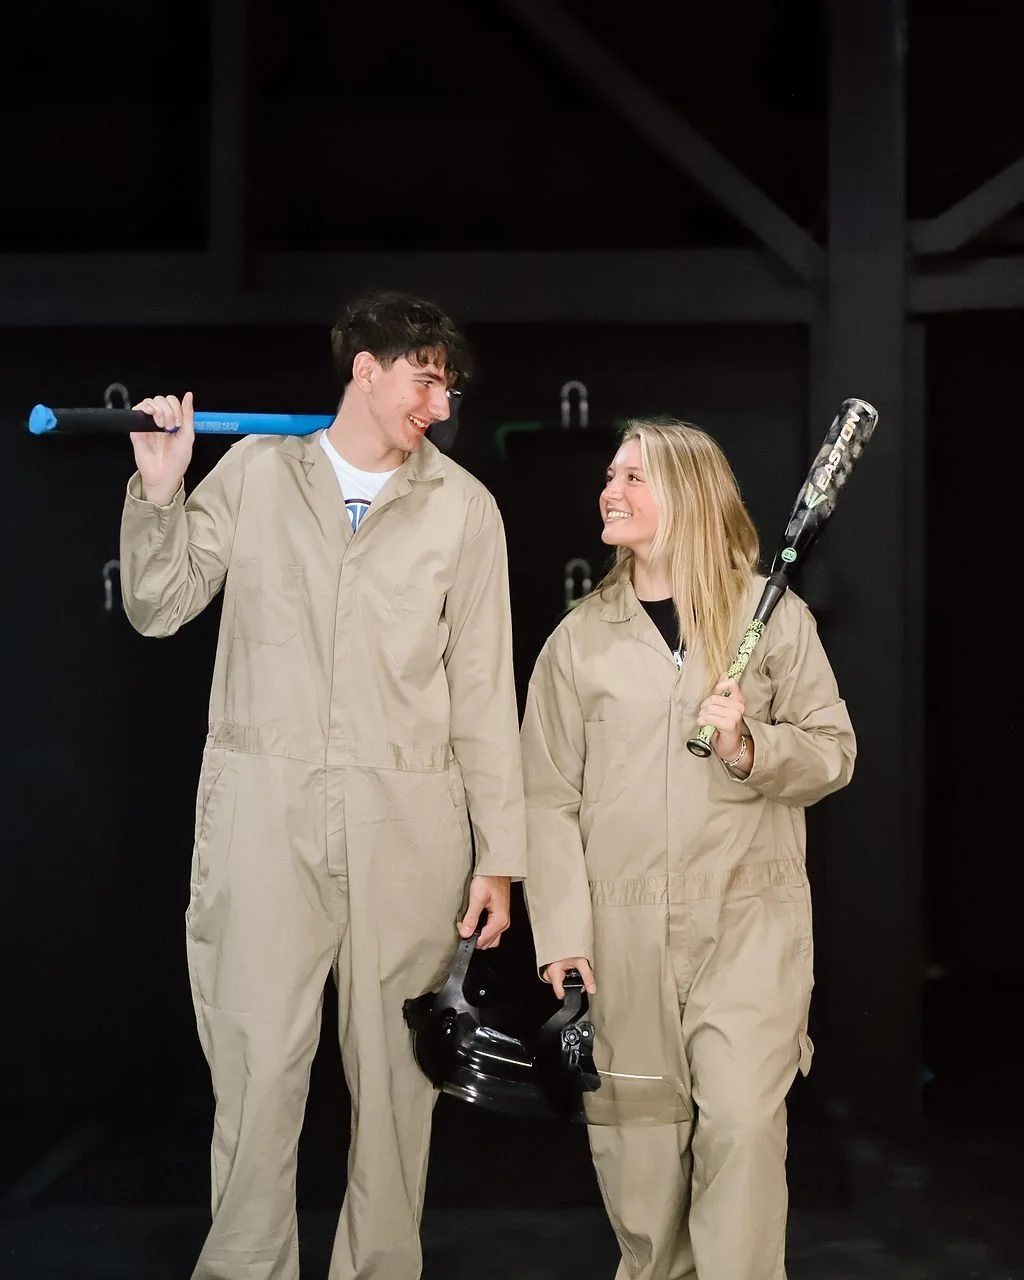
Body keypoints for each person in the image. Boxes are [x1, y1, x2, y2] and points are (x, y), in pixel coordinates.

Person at [119, 291, 527, 1280]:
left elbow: (483, 692)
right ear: (367, 369)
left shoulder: (464, 508)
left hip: (409, 820)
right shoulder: (259, 470)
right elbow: (157, 605)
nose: (439, 401)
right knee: (257, 1071)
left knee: (396, 1089)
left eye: (451, 385)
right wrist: (161, 489)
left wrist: (501, 856)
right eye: (425, 376)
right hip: (264, 807)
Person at [519, 418, 856, 1280]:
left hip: (749, 919)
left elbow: (833, 753)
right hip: (620, 935)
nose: (612, 490)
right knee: (641, 1162)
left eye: (636, 476)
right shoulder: (578, 642)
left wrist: (752, 748)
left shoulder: (770, 619)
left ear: (690, 495)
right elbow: (548, 799)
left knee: (742, 1128)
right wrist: (561, 934)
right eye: (610, 474)